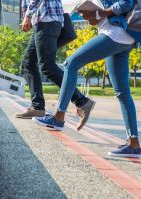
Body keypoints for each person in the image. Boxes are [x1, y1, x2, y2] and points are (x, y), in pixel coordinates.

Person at [33, 0, 141, 158]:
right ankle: (134, 144)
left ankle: (58, 117)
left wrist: (102, 13)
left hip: (115, 33)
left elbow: (126, 3)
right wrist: (94, 15)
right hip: (123, 36)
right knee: (122, 93)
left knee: (70, 64)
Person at [16, 0, 95, 131]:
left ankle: (82, 101)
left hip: (46, 20)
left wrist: (27, 15)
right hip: (42, 21)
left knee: (47, 66)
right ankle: (37, 107)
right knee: (28, 63)